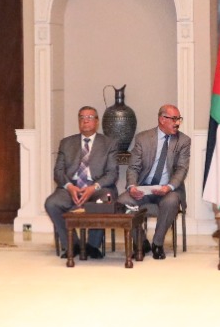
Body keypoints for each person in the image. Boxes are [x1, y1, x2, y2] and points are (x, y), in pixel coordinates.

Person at [44, 106, 119, 258]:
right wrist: (69, 187)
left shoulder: (109, 143)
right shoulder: (66, 143)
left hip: (98, 188)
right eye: (82, 117)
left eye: (90, 117)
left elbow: (112, 174)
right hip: (71, 188)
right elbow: (58, 171)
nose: (85, 120)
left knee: (104, 200)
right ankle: (72, 244)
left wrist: (93, 188)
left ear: (97, 121)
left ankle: (92, 246)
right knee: (51, 203)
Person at [119, 104, 191, 260]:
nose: (177, 123)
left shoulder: (183, 141)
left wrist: (168, 187)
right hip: (144, 188)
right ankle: (141, 242)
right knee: (123, 200)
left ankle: (157, 244)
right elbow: (133, 168)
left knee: (171, 201)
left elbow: (181, 169)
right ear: (162, 119)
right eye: (174, 119)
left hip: (168, 190)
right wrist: (132, 186)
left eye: (179, 119)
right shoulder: (143, 138)